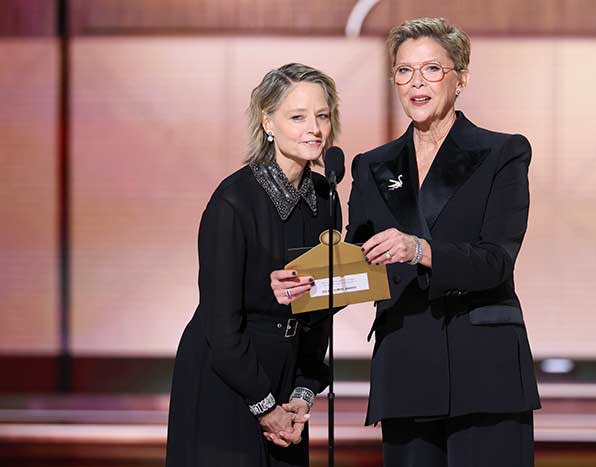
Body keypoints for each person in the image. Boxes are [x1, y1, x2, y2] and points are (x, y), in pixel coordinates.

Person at [345, 18, 541, 466]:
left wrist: (420, 249)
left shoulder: (502, 153)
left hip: (485, 369)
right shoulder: (370, 166)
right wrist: (309, 285)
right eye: (403, 71)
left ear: (461, 78)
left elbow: (496, 261)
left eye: (431, 69)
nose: (416, 83)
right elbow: (358, 266)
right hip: (406, 363)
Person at [166, 63, 341, 467]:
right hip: (226, 380)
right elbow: (221, 327)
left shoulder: (325, 197)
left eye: (322, 115)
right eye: (297, 117)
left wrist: (302, 392)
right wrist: (266, 408)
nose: (313, 128)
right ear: (268, 122)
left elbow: (317, 312)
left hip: (287, 379)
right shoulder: (233, 201)